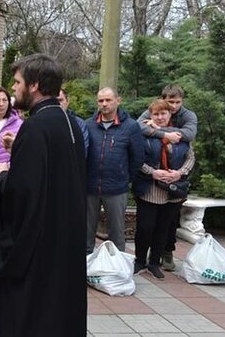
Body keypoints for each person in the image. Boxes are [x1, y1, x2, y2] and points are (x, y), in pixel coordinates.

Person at [0, 54, 87, 337]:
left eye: (17, 82)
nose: (13, 88)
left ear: (35, 85)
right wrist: (21, 147)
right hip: (63, 241)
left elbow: (21, 195)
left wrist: (0, 175)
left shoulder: (35, 126)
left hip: (37, 249)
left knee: (27, 314)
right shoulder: (69, 123)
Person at [136, 84, 198, 270]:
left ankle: (158, 260)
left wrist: (180, 173)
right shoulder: (147, 126)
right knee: (146, 227)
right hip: (150, 187)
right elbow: (136, 151)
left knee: (165, 227)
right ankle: (140, 260)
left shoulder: (187, 119)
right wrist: (153, 172)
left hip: (173, 187)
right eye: (169, 103)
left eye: (176, 103)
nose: (173, 106)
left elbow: (190, 152)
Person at [85, 87, 145, 253]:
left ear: (118, 100)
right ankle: (85, 265)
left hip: (116, 188)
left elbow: (138, 157)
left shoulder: (131, 127)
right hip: (90, 187)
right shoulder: (88, 125)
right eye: (100, 101)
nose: (104, 104)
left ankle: (117, 267)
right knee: (86, 230)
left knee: (117, 232)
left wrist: (125, 178)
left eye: (108, 100)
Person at [58, 89, 89, 153]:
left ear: (67, 101)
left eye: (60, 100)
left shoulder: (79, 124)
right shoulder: (44, 123)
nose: (58, 104)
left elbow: (83, 150)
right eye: (54, 101)